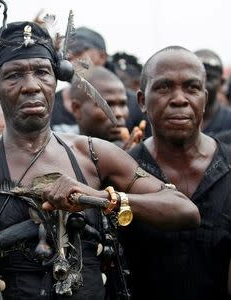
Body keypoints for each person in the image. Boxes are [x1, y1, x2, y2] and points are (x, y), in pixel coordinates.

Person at [0, 21, 200, 299]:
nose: (31, 86)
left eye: (42, 72)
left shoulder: (94, 155)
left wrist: (99, 198)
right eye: (13, 75)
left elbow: (185, 211)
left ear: (56, 80)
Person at [123, 46, 231, 299]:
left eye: (192, 88)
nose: (179, 99)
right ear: (142, 101)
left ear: (204, 99)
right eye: (164, 87)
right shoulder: (121, 173)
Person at [70, 66, 131, 147]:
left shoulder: (137, 153)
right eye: (107, 105)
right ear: (77, 109)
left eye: (123, 104)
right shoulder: (62, 157)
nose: (119, 113)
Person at [194, 49, 231, 136]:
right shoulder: (175, 120)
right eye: (196, 79)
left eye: (209, 78)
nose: (202, 84)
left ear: (221, 83)